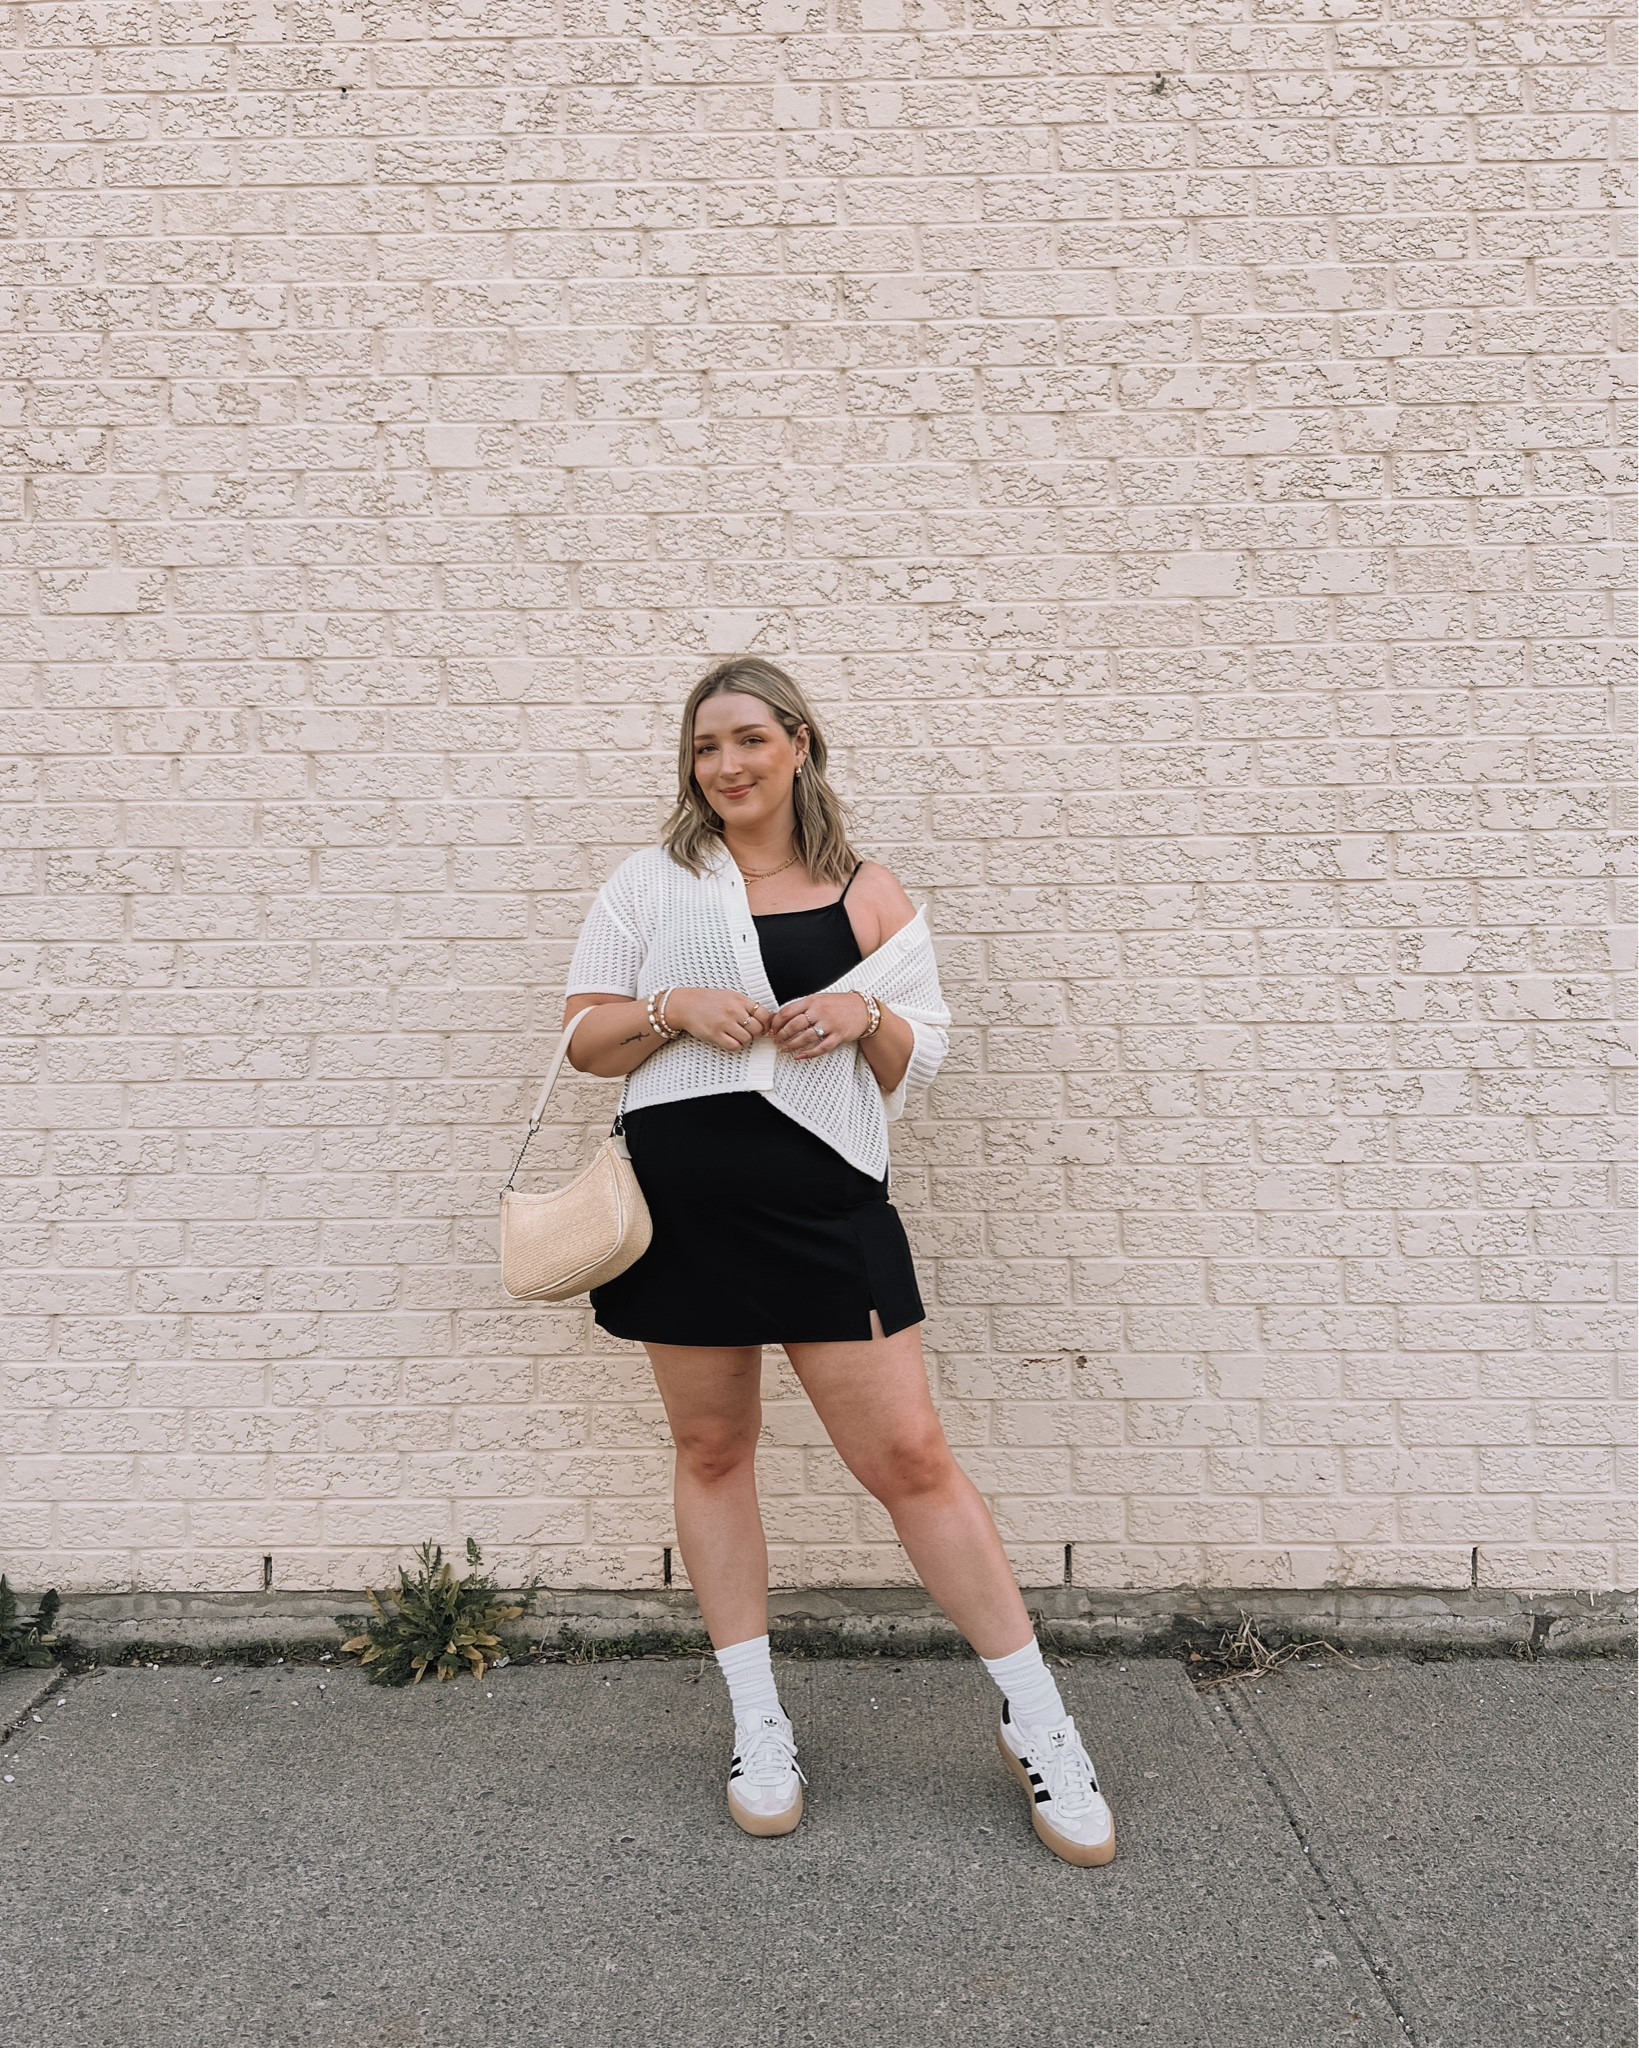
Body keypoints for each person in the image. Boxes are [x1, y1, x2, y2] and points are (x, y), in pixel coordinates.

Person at [560, 656, 1115, 1866]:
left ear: (799, 743)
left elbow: (927, 1039)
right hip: (682, 1218)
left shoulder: (866, 891)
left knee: (911, 1456)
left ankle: (1042, 1721)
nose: (727, 764)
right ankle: (760, 1724)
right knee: (712, 1449)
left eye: (749, 738)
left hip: (826, 1211)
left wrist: (867, 1015)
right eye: (706, 745)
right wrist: (672, 1012)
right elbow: (584, 1036)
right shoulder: (649, 885)